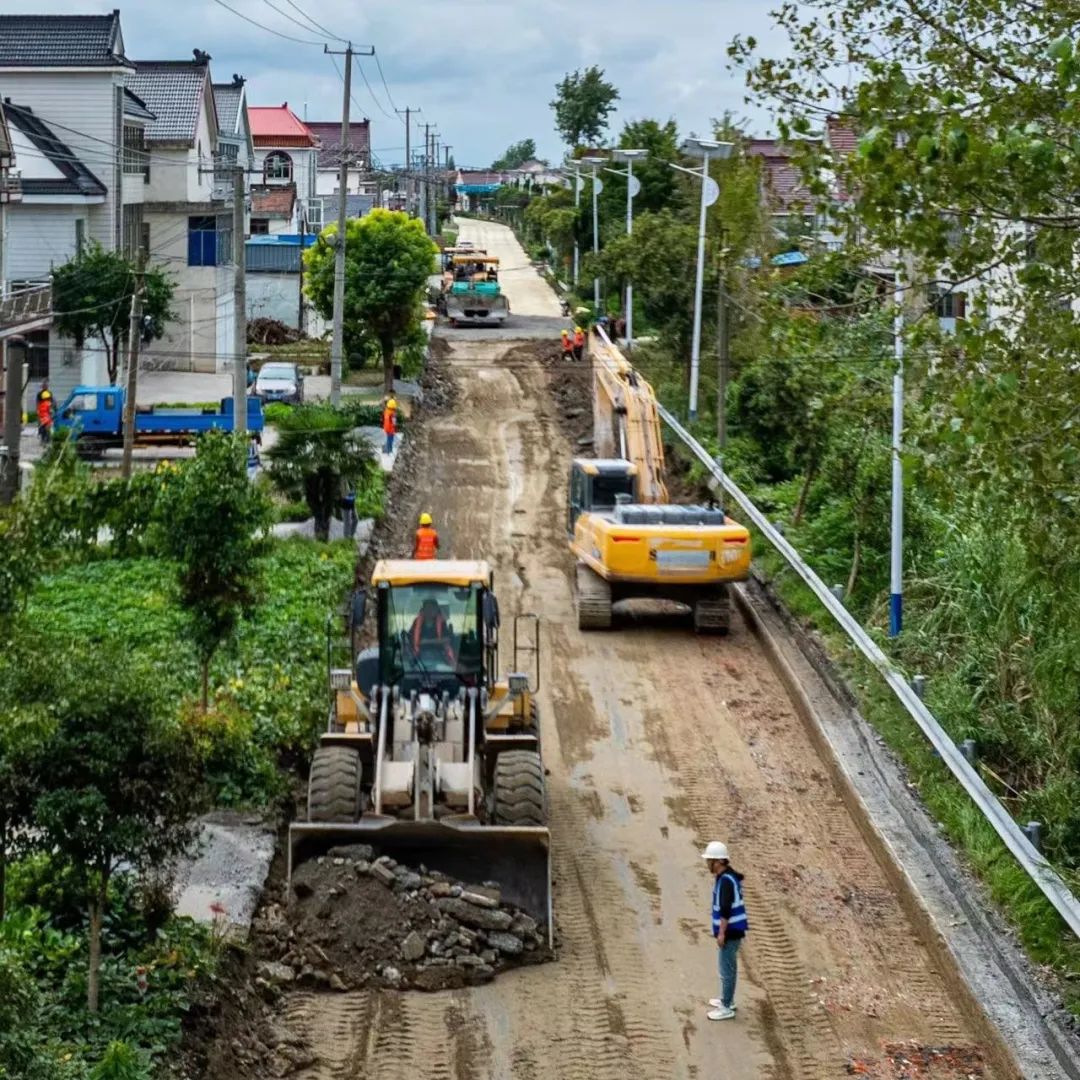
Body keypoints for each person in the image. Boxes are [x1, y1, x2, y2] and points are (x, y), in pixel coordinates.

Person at [701, 841, 748, 1020]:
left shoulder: (726, 880)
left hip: (730, 932)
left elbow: (726, 910)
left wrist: (721, 933)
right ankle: (727, 999)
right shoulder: (726, 876)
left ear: (719, 861)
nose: (708, 864)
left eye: (710, 861)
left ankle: (726, 1007)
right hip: (733, 930)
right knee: (728, 968)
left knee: (726, 970)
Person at [409, 597, 455, 665]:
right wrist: (437, 641)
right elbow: (410, 639)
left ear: (437, 610)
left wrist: (427, 641)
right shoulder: (416, 622)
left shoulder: (442, 622)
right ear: (423, 609)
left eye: (432, 608)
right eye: (427, 608)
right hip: (419, 657)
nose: (430, 610)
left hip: (440, 656)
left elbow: (447, 639)